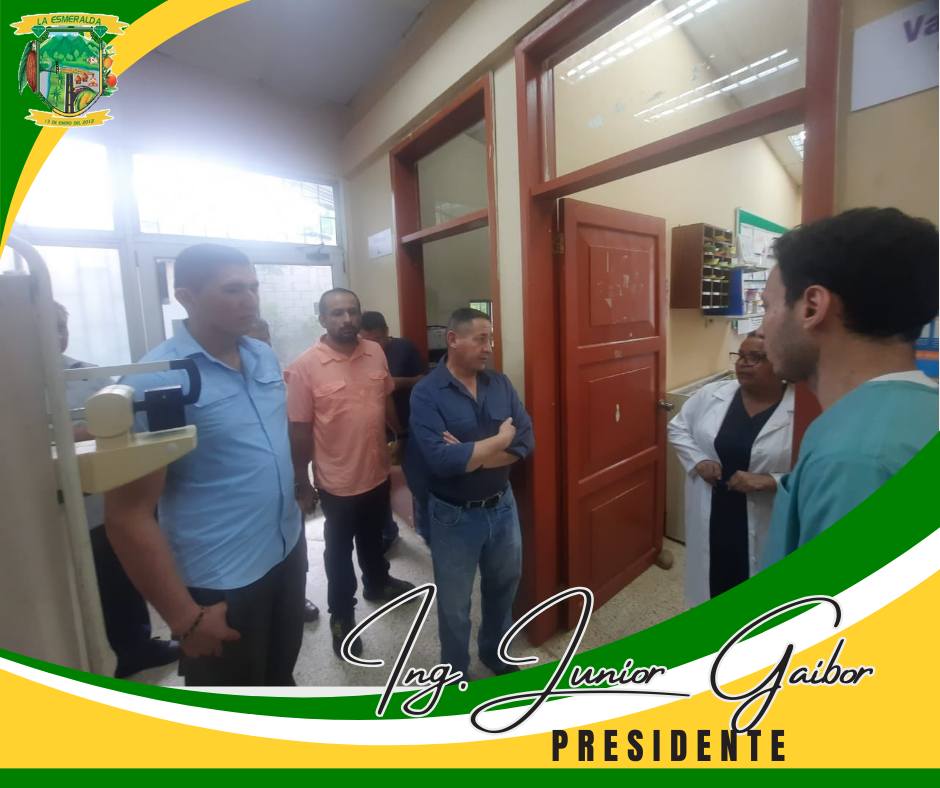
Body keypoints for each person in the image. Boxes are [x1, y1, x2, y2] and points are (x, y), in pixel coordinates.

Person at [106, 243, 306, 686]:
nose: (250, 300)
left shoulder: (261, 355)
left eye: (253, 287)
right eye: (233, 289)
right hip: (221, 577)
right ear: (187, 297)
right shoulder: (157, 379)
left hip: (286, 548)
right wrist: (184, 618)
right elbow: (127, 514)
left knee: (280, 679)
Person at [760, 208, 938, 565]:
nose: (761, 328)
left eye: (767, 307)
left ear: (811, 307)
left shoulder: (857, 460)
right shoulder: (922, 410)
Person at [286, 288, 415, 657]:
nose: (346, 319)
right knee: (339, 553)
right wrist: (302, 481)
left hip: (376, 469)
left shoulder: (375, 351)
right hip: (337, 481)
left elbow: (384, 397)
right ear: (322, 319)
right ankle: (342, 616)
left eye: (352, 311)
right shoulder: (305, 367)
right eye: (337, 313)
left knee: (374, 536)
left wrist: (400, 435)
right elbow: (299, 430)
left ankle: (378, 582)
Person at [406, 307, 534, 677]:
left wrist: (471, 456)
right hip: (453, 516)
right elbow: (440, 461)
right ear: (452, 339)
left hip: (502, 507)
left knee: (504, 587)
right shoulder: (426, 393)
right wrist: (500, 440)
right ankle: (454, 670)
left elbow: (526, 442)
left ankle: (495, 652)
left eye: (490, 339)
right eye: (481, 339)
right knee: (454, 604)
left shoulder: (500, 384)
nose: (489, 347)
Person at [56, 302, 180, 678]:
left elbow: (122, 424)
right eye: (46, 327)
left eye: (61, 326)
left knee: (118, 577)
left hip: (100, 500)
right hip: (46, 510)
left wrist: (78, 434)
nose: (57, 335)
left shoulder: (88, 375)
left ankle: (135, 647)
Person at [667, 333, 793, 605]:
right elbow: (677, 428)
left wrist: (771, 481)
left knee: (758, 597)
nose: (743, 363)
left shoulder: (801, 409)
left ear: (781, 364)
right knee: (711, 582)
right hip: (714, 510)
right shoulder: (712, 395)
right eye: (740, 356)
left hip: (767, 515)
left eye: (755, 358)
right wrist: (698, 460)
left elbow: (815, 471)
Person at [245, 314, 320, 624]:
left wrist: (302, 479)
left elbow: (296, 428)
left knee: (293, 542)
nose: (262, 348)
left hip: (286, 477)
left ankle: (295, 597)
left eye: (266, 341)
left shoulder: (276, 377)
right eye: (254, 341)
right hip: (246, 488)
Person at [359, 310, 427, 551]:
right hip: (374, 428)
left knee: (417, 478)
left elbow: (422, 379)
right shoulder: (359, 353)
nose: (374, 345)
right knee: (379, 484)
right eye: (367, 339)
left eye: (378, 339)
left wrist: (393, 382)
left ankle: (424, 529)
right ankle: (388, 529)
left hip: (408, 423)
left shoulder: (404, 348)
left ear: (387, 332)